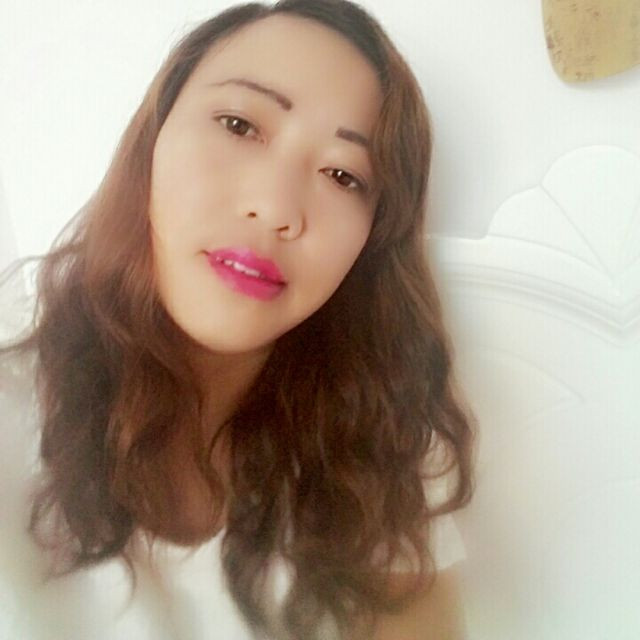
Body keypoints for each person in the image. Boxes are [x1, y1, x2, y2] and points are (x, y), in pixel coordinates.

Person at [0, 1, 474, 638]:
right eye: (239, 124)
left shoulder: (383, 440)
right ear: (153, 138)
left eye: (342, 175)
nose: (276, 209)